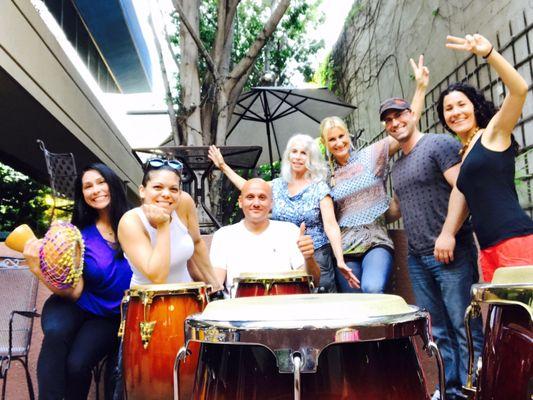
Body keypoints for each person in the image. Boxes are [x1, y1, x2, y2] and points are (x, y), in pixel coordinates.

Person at [382, 95, 484, 398]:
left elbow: (464, 187)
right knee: (437, 331)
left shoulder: (438, 144)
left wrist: (448, 233)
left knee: (464, 327)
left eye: (399, 115)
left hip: (452, 253)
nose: (394, 123)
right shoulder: (397, 167)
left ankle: (474, 390)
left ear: (413, 115)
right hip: (417, 258)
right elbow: (394, 211)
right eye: (388, 120)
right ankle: (449, 389)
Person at [318, 56, 428, 294]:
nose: (338, 142)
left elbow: (407, 127)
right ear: (326, 144)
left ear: (348, 136)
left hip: (376, 239)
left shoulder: (372, 155)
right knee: (355, 305)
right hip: (345, 248)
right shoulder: (327, 177)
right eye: (332, 139)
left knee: (373, 288)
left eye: (341, 136)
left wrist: (420, 88)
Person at [23, 163, 132, 400]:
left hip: (109, 315)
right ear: (82, 195)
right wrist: (35, 266)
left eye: (101, 182)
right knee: (55, 335)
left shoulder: (135, 225)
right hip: (73, 302)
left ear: (112, 183)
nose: (96, 190)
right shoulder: (79, 234)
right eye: (87, 186)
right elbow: (74, 291)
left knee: (77, 364)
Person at [436, 34, 533, 282]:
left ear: (475, 106)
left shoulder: (493, 133)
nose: (456, 112)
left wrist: (489, 53)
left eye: (461, 104)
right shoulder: (465, 153)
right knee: (501, 321)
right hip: (488, 249)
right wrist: (447, 233)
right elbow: (462, 195)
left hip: (514, 241)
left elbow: (519, 90)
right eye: (449, 109)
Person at [208, 134, 358, 292]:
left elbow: (330, 225)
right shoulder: (277, 186)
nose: (298, 157)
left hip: (315, 254)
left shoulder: (318, 187)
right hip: (281, 252)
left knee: (319, 300)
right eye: (294, 151)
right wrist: (223, 166)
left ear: (311, 158)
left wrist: (340, 260)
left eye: (304, 153)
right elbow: (252, 189)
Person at [118, 158, 221, 289]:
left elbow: (197, 243)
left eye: (173, 189)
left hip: (188, 297)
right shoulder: (131, 221)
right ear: (142, 191)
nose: (166, 194)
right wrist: (163, 224)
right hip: (148, 302)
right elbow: (157, 276)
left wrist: (214, 284)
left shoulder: (184, 202)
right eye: (157, 187)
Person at [209, 178, 321, 293]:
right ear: (240, 202)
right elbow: (216, 283)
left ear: (271, 203)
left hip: (284, 306)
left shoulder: (290, 231)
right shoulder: (223, 236)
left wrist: (309, 258)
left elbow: (314, 281)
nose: (256, 203)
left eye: (262, 197)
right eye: (250, 197)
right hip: (239, 307)